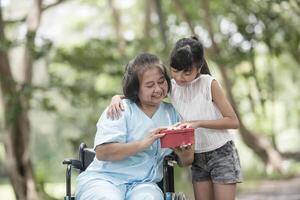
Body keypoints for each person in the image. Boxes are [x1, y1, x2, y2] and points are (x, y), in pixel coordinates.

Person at [107, 36, 242, 200]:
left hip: (221, 152)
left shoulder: (209, 84)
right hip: (196, 155)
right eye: (175, 71)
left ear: (198, 68)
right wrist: (116, 97)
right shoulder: (172, 87)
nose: (179, 77)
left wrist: (197, 123)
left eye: (187, 72)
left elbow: (233, 121)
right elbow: (141, 93)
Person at [76, 52, 193, 200]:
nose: (158, 89)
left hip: (145, 185)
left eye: (161, 81)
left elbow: (186, 161)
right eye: (150, 85)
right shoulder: (119, 109)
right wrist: (143, 143)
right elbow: (103, 152)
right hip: (105, 180)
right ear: (136, 88)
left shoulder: (173, 114)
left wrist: (185, 153)